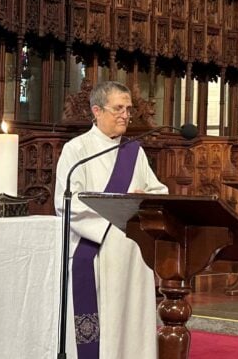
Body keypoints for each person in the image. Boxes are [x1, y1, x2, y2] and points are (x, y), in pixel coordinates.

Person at [54, 80, 167, 359]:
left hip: (133, 254)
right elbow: (67, 201)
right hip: (95, 252)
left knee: (131, 321)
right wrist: (119, 208)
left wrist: (145, 198)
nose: (125, 115)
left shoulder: (134, 151)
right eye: (118, 108)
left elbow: (158, 191)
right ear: (97, 110)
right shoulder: (76, 150)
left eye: (128, 109)